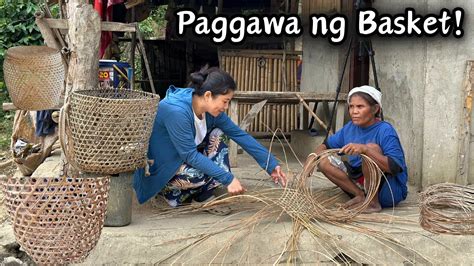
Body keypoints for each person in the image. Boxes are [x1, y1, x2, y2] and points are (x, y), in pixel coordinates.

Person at [134, 67, 287, 207]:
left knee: (219, 135)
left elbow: (238, 134)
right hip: (161, 168)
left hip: (181, 159)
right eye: (225, 101)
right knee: (202, 175)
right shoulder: (177, 112)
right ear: (208, 95)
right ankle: (167, 193)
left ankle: (201, 195)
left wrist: (270, 164)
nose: (226, 107)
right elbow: (190, 155)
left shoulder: (210, 111)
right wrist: (228, 179)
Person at [311, 85, 407, 213]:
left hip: (387, 190)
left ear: (375, 109)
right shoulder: (349, 128)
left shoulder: (385, 130)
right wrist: (312, 157)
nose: (354, 111)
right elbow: (325, 145)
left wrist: (365, 150)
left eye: (360, 107)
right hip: (360, 183)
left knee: (372, 148)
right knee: (323, 161)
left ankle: (373, 203)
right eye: (351, 106)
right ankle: (360, 196)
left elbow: (394, 167)